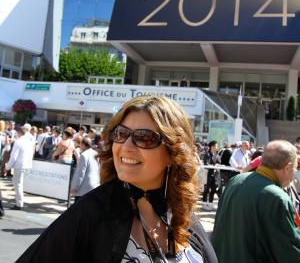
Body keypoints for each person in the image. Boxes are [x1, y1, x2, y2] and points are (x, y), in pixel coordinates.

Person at [16, 96, 218, 263]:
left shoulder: (183, 216)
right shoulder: (91, 212)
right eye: (121, 134)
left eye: (144, 137)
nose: (126, 146)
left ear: (173, 153)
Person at [212, 140, 300, 263]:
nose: (293, 176)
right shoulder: (276, 197)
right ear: (287, 167)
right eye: (295, 169)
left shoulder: (236, 180)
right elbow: (289, 251)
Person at [6, 127, 34, 210]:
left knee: (17, 184)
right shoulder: (28, 141)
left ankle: (19, 204)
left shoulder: (19, 141)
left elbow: (14, 156)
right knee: (17, 183)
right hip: (25, 165)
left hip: (20, 165)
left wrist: (8, 167)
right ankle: (18, 201)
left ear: (19, 133)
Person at [70, 138, 100, 202]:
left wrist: (75, 187)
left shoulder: (84, 155)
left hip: (84, 188)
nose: (79, 146)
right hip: (94, 186)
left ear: (83, 144)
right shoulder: (95, 153)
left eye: (80, 144)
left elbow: (80, 173)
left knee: (79, 210)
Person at [202, 140, 220, 210]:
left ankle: (210, 203)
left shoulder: (216, 154)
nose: (217, 147)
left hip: (214, 175)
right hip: (208, 174)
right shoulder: (207, 154)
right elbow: (206, 163)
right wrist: (214, 165)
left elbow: (218, 162)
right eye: (216, 146)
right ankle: (204, 203)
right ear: (212, 146)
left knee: (213, 189)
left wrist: (218, 164)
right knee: (206, 189)